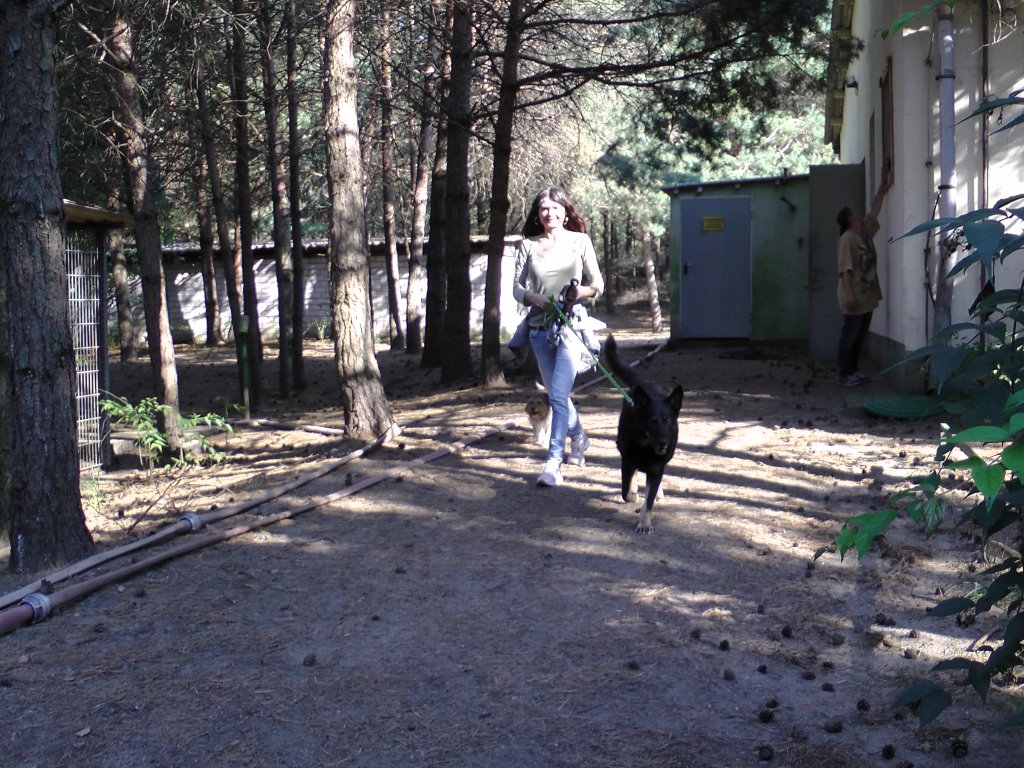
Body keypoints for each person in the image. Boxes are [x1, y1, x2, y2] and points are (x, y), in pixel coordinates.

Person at [512, 186, 604, 487]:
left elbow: (598, 284)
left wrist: (580, 292)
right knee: (556, 395)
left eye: (555, 208)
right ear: (538, 214)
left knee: (559, 394)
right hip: (539, 331)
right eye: (543, 208)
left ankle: (553, 463)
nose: (549, 213)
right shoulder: (527, 245)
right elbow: (516, 288)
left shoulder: (580, 241)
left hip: (570, 329)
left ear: (565, 212)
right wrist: (536, 299)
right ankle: (579, 438)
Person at [836, 167, 893, 387]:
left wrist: (883, 186)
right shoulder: (847, 239)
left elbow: (874, 209)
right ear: (850, 219)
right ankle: (846, 374)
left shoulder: (864, 231)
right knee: (850, 335)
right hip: (854, 295)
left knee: (859, 336)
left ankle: (854, 371)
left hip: (866, 295)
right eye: (855, 213)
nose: (860, 214)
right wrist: (850, 296)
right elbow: (845, 269)